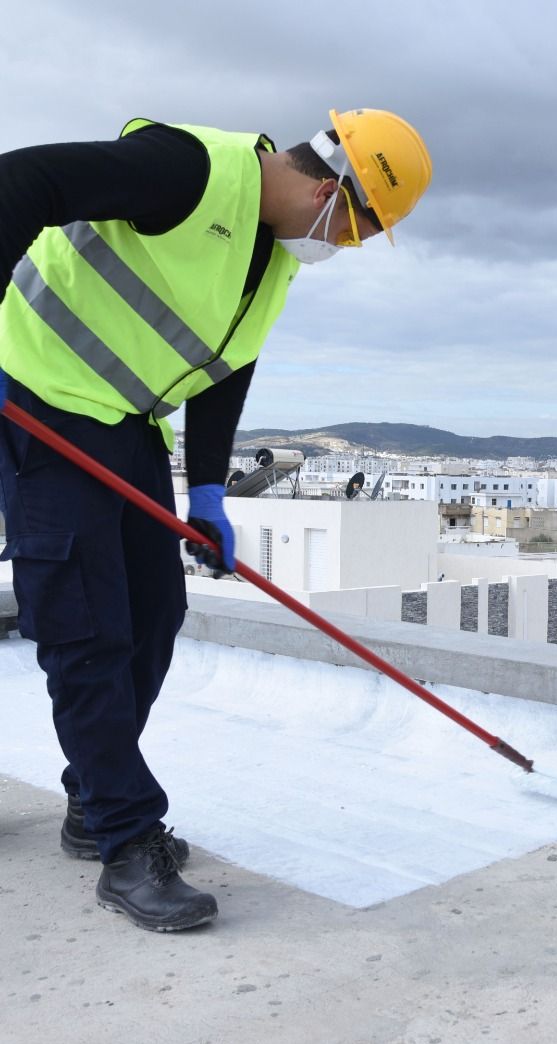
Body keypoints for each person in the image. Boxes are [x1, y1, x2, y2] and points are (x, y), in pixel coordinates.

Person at [0, 109, 431, 931]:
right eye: (353, 230)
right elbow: (19, 182)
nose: (344, 248)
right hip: (35, 401)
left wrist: (205, 489)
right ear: (329, 189)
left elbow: (222, 371)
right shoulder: (185, 169)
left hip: (123, 426)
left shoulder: (270, 261)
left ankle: (93, 798)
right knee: (85, 630)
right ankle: (127, 841)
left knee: (155, 616)